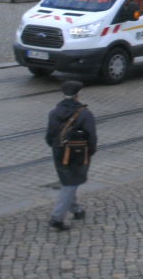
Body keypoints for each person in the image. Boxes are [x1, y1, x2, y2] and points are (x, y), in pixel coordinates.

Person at [45, 80, 97, 231]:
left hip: (59, 151)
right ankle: (57, 218)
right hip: (78, 153)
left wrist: (56, 148)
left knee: (67, 180)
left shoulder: (54, 112)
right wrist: (90, 151)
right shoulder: (85, 114)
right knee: (70, 184)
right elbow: (91, 137)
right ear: (77, 96)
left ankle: (76, 209)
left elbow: (49, 136)